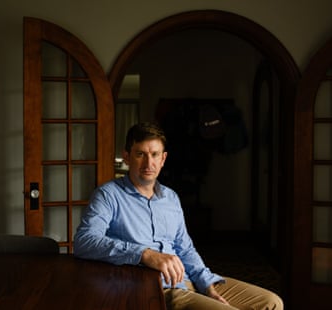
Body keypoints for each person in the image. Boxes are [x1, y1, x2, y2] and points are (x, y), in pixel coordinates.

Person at [74, 122, 283, 310]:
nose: (149, 163)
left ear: (163, 158)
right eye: (140, 154)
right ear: (127, 157)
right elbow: (84, 241)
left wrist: (207, 285)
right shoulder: (108, 195)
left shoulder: (170, 197)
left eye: (155, 154)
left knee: (272, 303)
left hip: (188, 279)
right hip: (156, 288)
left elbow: (185, 247)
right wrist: (144, 254)